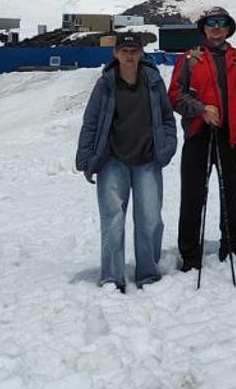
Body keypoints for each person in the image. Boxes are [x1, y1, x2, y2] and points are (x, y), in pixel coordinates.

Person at [75, 33, 177, 291]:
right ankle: (112, 276)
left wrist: (166, 146)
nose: (129, 55)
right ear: (115, 54)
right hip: (112, 160)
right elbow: (91, 122)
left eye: (134, 50)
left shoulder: (153, 81)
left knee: (150, 218)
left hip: (147, 159)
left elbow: (167, 118)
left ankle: (148, 272)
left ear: (142, 52)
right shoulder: (106, 84)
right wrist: (86, 159)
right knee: (112, 219)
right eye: (124, 50)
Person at [168, 7, 236, 271]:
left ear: (228, 28)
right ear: (203, 28)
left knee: (231, 193)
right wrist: (202, 109)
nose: (216, 27)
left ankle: (232, 244)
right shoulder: (190, 57)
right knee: (192, 195)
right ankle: (190, 252)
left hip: (232, 135)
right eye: (211, 23)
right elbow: (175, 96)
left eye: (221, 23)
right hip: (199, 134)